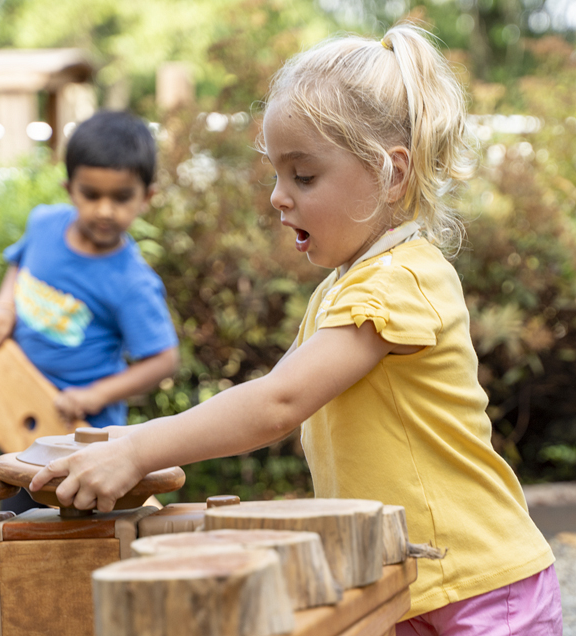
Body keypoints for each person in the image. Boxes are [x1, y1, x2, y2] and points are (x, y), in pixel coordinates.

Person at [29, 24, 562, 635]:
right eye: (277, 175)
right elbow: (270, 393)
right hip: (408, 579)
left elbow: (277, 403)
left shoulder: (402, 280)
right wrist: (129, 443)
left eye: (303, 176)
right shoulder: (343, 288)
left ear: (392, 176)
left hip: (483, 584)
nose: (279, 197)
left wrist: (136, 448)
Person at [0, 110, 180, 431]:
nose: (104, 210)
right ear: (69, 188)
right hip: (16, 406)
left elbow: (164, 360)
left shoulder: (132, 282)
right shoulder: (43, 224)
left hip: (83, 433)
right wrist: (4, 306)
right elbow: (18, 261)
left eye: (121, 197)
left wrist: (96, 395)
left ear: (147, 197)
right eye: (90, 195)